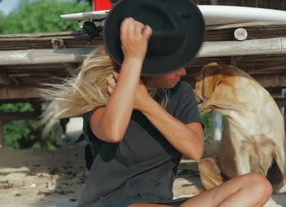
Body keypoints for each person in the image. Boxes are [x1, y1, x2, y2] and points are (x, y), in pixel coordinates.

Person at [41, 17, 273, 207]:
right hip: (109, 204)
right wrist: (133, 58)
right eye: (175, 64)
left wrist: (143, 102)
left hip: (161, 204)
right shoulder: (103, 96)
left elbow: (194, 148)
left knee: (257, 185)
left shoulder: (179, 94)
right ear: (148, 65)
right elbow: (112, 132)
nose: (183, 72)